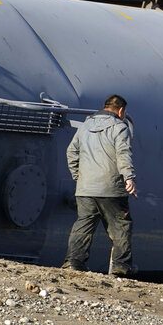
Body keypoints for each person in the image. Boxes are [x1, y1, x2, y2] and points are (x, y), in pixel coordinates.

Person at [62, 94, 137, 276]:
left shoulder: (85, 126)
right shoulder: (120, 127)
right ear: (120, 110)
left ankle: (73, 262)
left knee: (83, 224)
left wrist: (78, 177)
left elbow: (71, 151)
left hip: (86, 187)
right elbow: (123, 153)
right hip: (111, 188)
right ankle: (120, 266)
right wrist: (129, 177)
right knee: (120, 225)